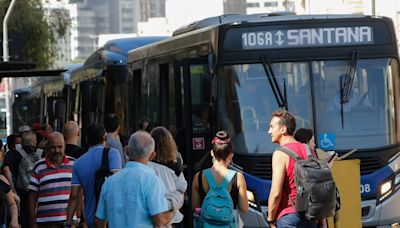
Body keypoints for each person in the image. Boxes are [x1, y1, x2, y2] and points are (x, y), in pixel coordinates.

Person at [94, 131, 175, 227]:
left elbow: (99, 221)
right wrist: (173, 210)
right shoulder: (152, 181)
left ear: (127, 150)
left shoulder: (109, 182)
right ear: (152, 155)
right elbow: (159, 220)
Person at [267, 110, 317, 228]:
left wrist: (270, 219)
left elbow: (276, 193)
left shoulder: (280, 154)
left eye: (272, 127)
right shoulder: (308, 150)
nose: (269, 131)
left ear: (283, 129)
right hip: (311, 215)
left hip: (289, 216)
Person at [66, 123, 121, 228]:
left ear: (86, 139)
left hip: (92, 219)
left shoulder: (78, 163)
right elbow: (117, 181)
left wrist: (68, 222)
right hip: (111, 218)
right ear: (105, 137)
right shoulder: (113, 154)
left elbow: (74, 196)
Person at [191, 130, 248, 225]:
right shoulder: (238, 177)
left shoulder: (199, 177)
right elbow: (244, 208)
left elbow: (195, 207)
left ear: (212, 153)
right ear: (230, 156)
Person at [27, 132, 76, 228]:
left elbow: (79, 194)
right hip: (45, 223)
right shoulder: (39, 166)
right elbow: (32, 197)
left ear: (65, 146)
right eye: (53, 147)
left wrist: (78, 218)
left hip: (68, 222)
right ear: (47, 147)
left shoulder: (74, 164)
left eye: (60, 147)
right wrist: (33, 223)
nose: (57, 150)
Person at [149, 126, 187, 227]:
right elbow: (182, 187)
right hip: (172, 216)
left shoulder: (146, 165)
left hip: (153, 215)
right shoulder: (175, 164)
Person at [3, 127, 38, 228]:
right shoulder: (42, 153)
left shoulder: (14, 154)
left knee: (25, 221)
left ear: (21, 143)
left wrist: (12, 189)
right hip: (38, 196)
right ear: (34, 141)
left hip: (22, 195)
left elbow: (6, 169)